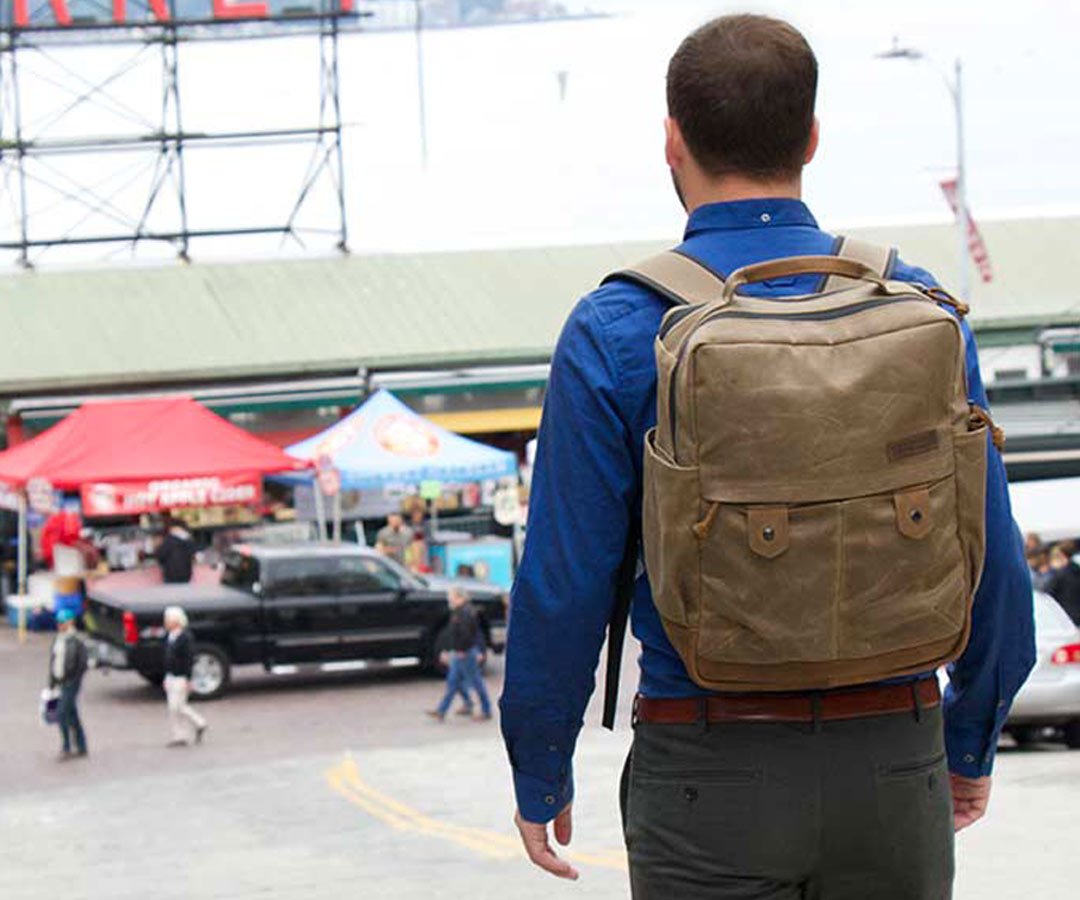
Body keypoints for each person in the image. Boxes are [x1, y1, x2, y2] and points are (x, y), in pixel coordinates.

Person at [499, 14, 1035, 898]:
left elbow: (564, 580)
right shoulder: (918, 309)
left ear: (672, 140)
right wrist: (970, 741)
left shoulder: (619, 327)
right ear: (812, 137)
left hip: (707, 763)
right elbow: (991, 558)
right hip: (894, 756)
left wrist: (541, 764)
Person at [428, 587, 492, 722]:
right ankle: (443, 710)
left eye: (452, 596)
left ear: (460, 598)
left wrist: (463, 650)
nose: (449, 599)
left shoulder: (466, 613)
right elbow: (454, 635)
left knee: (475, 682)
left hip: (466, 653)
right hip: (460, 652)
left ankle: (486, 710)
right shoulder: (458, 612)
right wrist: (449, 650)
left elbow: (469, 635)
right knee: (453, 682)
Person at [163, 606, 208, 747]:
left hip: (180, 676)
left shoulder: (185, 638)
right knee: (173, 708)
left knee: (178, 706)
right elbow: (167, 658)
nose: (166, 623)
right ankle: (179, 735)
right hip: (171, 676)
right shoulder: (169, 637)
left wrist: (188, 679)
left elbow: (188, 660)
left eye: (168, 620)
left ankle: (199, 722)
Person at [48, 608, 88, 760]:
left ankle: (66, 746)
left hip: (70, 682)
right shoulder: (58, 639)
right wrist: (51, 683)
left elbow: (82, 663)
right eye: (58, 622)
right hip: (59, 681)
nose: (60, 625)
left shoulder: (76, 640)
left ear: (70, 622)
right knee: (72, 714)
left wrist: (73, 679)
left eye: (62, 622)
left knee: (61, 713)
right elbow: (53, 662)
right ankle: (82, 745)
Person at [155, 517, 196, 584]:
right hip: (186, 575)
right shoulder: (188, 539)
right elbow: (193, 554)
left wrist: (157, 546)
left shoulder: (169, 540)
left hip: (171, 575)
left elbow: (160, 556)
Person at [1047, 544, 1080, 625]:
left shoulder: (1060, 575)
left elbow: (1048, 595)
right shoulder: (1076, 571)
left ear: (1062, 555)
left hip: (1065, 616)